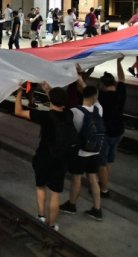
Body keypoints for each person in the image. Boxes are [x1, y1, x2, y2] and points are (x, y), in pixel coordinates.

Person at [15, 82, 72, 230]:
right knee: (55, 193)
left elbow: (18, 112)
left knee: (41, 187)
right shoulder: (69, 114)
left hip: (44, 156)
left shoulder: (44, 116)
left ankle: (41, 216)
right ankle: (52, 225)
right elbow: (57, 103)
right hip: (61, 158)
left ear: (51, 100)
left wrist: (19, 93)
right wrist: (50, 91)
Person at [59, 85, 104, 221]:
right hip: (95, 150)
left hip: (81, 152)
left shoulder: (75, 112)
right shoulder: (99, 109)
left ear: (81, 95)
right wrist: (81, 80)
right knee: (93, 179)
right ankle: (97, 209)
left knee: (76, 178)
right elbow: (94, 97)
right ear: (95, 96)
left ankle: (71, 205)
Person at [98, 58, 126, 198]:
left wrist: (78, 76)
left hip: (106, 133)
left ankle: (104, 189)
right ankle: (104, 183)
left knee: (102, 162)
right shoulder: (121, 92)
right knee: (109, 160)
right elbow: (122, 78)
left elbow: (84, 89)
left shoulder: (102, 96)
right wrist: (119, 62)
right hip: (119, 131)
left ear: (103, 84)